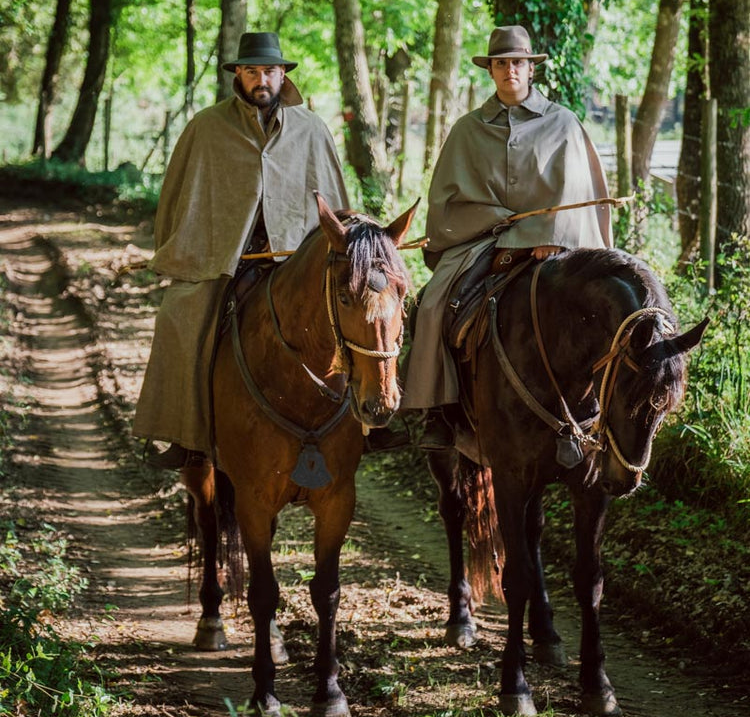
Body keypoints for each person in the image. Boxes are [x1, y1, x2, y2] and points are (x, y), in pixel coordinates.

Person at [133, 31, 349, 469]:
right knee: (180, 317)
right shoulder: (208, 126)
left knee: (357, 321)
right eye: (251, 71)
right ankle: (186, 433)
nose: (260, 79)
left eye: (268, 70)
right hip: (225, 260)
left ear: (283, 73)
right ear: (239, 75)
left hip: (297, 258)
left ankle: (367, 422)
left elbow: (334, 203)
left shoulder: (311, 129)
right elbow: (179, 199)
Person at [401, 25, 612, 440]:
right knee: (430, 306)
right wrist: (496, 222)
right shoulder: (468, 129)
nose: (509, 70)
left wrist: (552, 235)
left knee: (603, 313)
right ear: (491, 71)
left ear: (531, 69)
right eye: (501, 64)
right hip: (483, 241)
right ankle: (438, 411)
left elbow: (577, 192)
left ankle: (606, 417)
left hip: (558, 246)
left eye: (517, 63)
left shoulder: (563, 124)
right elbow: (447, 199)